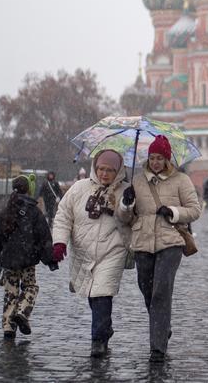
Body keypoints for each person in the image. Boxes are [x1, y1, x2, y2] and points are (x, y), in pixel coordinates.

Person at [117, 135, 200, 363]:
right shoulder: (136, 180)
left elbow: (194, 209)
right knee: (147, 290)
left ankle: (157, 348)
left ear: (167, 159)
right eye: (152, 157)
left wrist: (173, 211)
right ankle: (163, 326)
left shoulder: (181, 180)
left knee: (161, 291)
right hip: (143, 241)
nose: (155, 162)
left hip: (171, 241)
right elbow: (124, 218)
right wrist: (126, 203)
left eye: (159, 158)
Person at [52, 149, 130, 357]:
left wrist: (126, 204)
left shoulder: (125, 190)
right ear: (95, 168)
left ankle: (98, 341)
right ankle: (104, 328)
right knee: (92, 295)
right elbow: (63, 215)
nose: (105, 174)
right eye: (101, 169)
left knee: (102, 293)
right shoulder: (79, 188)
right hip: (83, 251)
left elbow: (127, 220)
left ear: (118, 171)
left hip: (112, 250)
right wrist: (59, 241)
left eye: (110, 170)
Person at [0, 176, 58, 339]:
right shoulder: (34, 211)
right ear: (29, 190)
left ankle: (8, 326)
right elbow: (44, 237)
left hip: (9, 260)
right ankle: (22, 312)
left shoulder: (6, 210)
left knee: (10, 293)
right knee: (30, 287)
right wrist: (50, 259)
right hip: (28, 259)